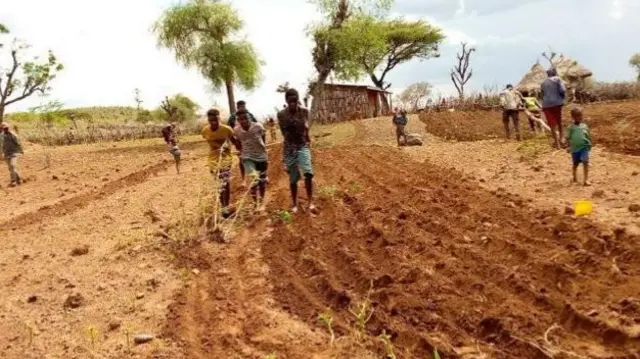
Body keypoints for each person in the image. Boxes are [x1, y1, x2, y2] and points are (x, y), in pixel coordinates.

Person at [277, 88, 315, 213]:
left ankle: (310, 201)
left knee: (308, 173)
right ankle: (295, 203)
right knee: (293, 178)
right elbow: (284, 133)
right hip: (289, 148)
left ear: (297, 99)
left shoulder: (305, 112)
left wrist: (308, 140)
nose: (292, 103)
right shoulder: (281, 115)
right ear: (286, 101)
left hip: (302, 145)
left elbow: (306, 129)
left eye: (294, 100)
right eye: (290, 101)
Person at [202, 109, 240, 218]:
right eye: (211, 120)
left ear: (219, 118)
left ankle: (225, 208)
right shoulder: (205, 131)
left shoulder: (227, 129)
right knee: (219, 185)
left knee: (226, 184)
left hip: (226, 159)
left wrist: (240, 149)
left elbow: (235, 142)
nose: (214, 122)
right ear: (208, 119)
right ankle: (223, 207)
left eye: (216, 119)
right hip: (213, 161)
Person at [234, 109, 268, 212]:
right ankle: (255, 204)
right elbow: (238, 142)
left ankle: (261, 203)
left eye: (246, 118)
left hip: (261, 157)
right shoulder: (237, 130)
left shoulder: (258, 126)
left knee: (262, 181)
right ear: (238, 120)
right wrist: (239, 149)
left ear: (249, 118)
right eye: (241, 119)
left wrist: (263, 147)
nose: (244, 121)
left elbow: (263, 137)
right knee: (254, 180)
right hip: (247, 157)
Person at [227, 100, 261, 181]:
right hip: (239, 141)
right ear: (237, 108)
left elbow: (257, 126)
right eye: (241, 107)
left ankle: (256, 177)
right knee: (242, 160)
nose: (243, 108)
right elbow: (229, 131)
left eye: (244, 106)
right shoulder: (232, 117)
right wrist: (234, 143)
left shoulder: (250, 115)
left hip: (251, 140)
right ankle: (244, 179)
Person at [541, 68, 566, 148]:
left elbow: (542, 95)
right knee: (559, 122)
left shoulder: (543, 83)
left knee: (552, 125)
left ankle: (557, 143)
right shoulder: (558, 79)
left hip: (546, 105)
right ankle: (561, 139)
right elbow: (563, 90)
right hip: (557, 103)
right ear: (554, 73)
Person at [567, 107, 592, 186]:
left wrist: (590, 143)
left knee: (585, 162)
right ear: (573, 117)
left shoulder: (585, 126)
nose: (580, 117)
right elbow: (568, 138)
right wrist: (568, 146)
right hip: (575, 149)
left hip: (584, 148)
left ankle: (586, 180)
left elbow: (588, 135)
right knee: (575, 164)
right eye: (578, 116)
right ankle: (574, 177)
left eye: (581, 115)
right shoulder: (571, 128)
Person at [1, 123, 23, 187]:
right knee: (11, 168)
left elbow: (18, 142)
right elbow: (1, 145)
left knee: (12, 165)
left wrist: (21, 150)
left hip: (14, 153)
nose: (6, 129)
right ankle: (19, 179)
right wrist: (1, 153)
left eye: (7, 128)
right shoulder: (1, 136)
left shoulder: (13, 134)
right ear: (2, 129)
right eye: (4, 128)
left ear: (9, 127)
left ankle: (13, 181)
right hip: (6, 153)